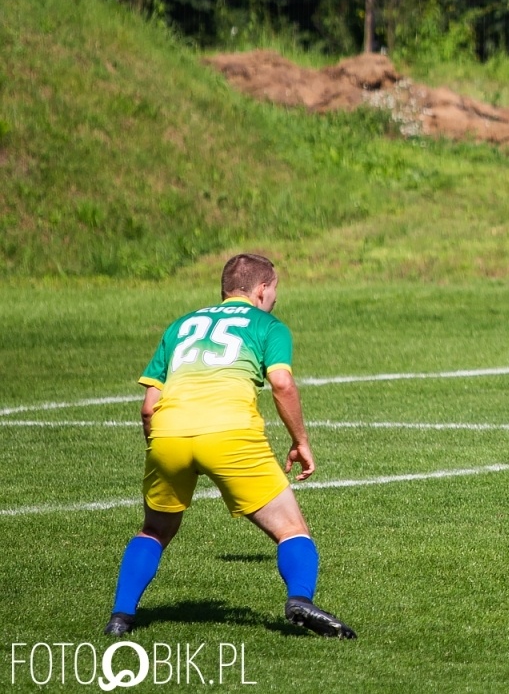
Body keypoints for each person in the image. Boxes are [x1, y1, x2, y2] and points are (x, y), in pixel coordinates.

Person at [103, 253, 355, 638]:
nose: (274, 300)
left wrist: (162, 452)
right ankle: (300, 599)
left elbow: (148, 408)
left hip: (168, 433)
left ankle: (121, 617)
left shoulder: (181, 325)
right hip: (230, 433)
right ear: (262, 289)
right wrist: (300, 441)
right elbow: (283, 384)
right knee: (291, 530)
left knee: (154, 530)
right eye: (274, 292)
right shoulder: (268, 325)